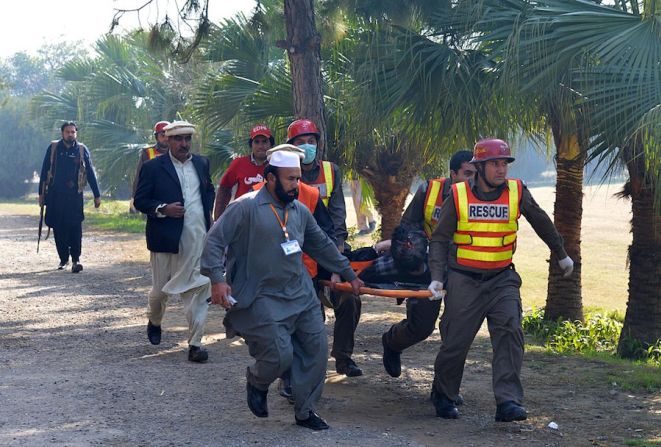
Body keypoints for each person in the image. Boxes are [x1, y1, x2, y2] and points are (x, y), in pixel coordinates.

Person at [201, 150, 363, 430]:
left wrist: (349, 273)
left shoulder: (299, 210)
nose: (296, 185)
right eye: (290, 179)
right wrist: (217, 279)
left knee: (317, 351)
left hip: (300, 294)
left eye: (298, 179)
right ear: (270, 178)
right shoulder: (245, 207)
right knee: (279, 355)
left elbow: (321, 244)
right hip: (262, 296)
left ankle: (304, 410)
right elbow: (214, 242)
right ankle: (258, 380)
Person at [426, 138, 574, 421]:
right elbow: (440, 239)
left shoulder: (517, 191)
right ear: (479, 167)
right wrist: (436, 278)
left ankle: (508, 402)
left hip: (502, 279)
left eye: (504, 163)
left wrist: (561, 253)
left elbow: (541, 220)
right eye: (495, 164)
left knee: (510, 332)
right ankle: (444, 395)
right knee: (455, 341)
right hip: (463, 280)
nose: (501, 169)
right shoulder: (457, 196)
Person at [381, 150, 475, 378]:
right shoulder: (429, 190)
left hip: (463, 269)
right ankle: (392, 342)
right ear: (453, 173)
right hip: (427, 267)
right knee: (421, 327)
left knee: (456, 330)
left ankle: (446, 390)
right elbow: (408, 228)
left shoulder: (480, 196)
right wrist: (418, 254)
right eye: (468, 173)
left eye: (476, 174)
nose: (473, 179)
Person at [133, 120, 215, 363]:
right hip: (166, 240)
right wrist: (163, 209)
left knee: (198, 290)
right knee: (160, 292)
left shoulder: (201, 163)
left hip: (197, 239)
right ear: (167, 140)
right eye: (178, 139)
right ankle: (155, 319)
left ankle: (195, 344)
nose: (184, 143)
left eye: (187, 138)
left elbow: (207, 192)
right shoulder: (153, 167)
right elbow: (140, 200)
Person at [287, 118, 361, 377]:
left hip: (328, 248)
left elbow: (338, 217)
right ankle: (306, 368)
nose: (308, 146)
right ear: (291, 146)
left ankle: (343, 357)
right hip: (296, 255)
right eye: (301, 142)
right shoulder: (285, 172)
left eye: (312, 141)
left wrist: (336, 260)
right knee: (308, 313)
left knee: (350, 299)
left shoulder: (331, 171)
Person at [38, 121, 101, 273]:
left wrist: (96, 195)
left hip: (75, 196)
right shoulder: (53, 148)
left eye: (73, 132)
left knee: (75, 227)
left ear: (76, 133)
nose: (70, 134)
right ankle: (63, 259)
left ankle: (76, 259)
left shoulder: (81, 150)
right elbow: (44, 171)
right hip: (55, 196)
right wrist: (41, 194)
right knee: (58, 228)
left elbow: (91, 173)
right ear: (62, 133)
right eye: (68, 132)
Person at [212, 124, 273, 220]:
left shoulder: (277, 165)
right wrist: (219, 219)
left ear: (271, 143)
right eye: (257, 142)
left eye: (264, 141)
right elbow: (224, 189)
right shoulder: (238, 163)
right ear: (251, 145)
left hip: (269, 218)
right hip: (242, 218)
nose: (261, 146)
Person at [131, 120, 170, 210]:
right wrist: (134, 197)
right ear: (156, 137)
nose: (166, 139)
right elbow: (139, 176)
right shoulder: (147, 152)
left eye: (168, 136)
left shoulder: (175, 153)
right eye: (162, 136)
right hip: (152, 196)